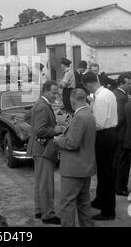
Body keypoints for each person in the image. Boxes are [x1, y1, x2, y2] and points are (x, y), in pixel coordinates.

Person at [53, 89, 96, 227]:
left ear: (73, 101)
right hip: (86, 166)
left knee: (67, 203)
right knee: (84, 202)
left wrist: (58, 140)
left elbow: (72, 144)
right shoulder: (89, 114)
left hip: (73, 169)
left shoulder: (79, 117)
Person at [26, 80, 64, 225]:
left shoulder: (40, 103)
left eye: (57, 92)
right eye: (54, 92)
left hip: (38, 148)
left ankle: (39, 210)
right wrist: (56, 130)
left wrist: (36, 129)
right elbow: (41, 130)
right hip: (43, 149)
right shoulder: (42, 106)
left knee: (40, 182)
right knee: (46, 184)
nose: (56, 95)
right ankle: (48, 215)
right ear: (45, 91)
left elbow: (27, 117)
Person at [82, 71, 118, 221]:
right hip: (110, 133)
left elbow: (99, 123)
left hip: (104, 135)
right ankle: (100, 200)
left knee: (106, 173)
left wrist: (87, 121)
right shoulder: (108, 93)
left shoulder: (101, 97)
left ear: (88, 84)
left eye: (86, 87)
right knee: (103, 171)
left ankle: (108, 211)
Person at [113, 73, 131, 196]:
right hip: (122, 134)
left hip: (118, 134)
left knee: (118, 161)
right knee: (123, 162)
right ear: (121, 83)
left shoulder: (117, 93)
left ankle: (117, 185)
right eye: (128, 84)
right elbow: (120, 118)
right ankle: (120, 187)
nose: (130, 86)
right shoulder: (121, 97)